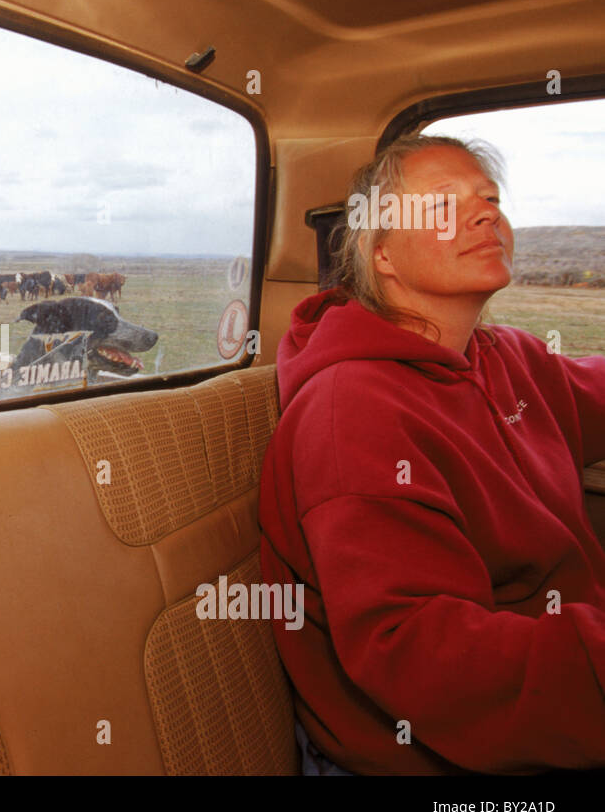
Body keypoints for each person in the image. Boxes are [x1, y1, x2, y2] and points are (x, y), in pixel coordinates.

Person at [259, 133, 605, 775]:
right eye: (444, 206)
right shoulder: (354, 409)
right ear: (382, 253)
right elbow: (418, 653)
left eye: (491, 199)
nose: (486, 216)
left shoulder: (504, 356)